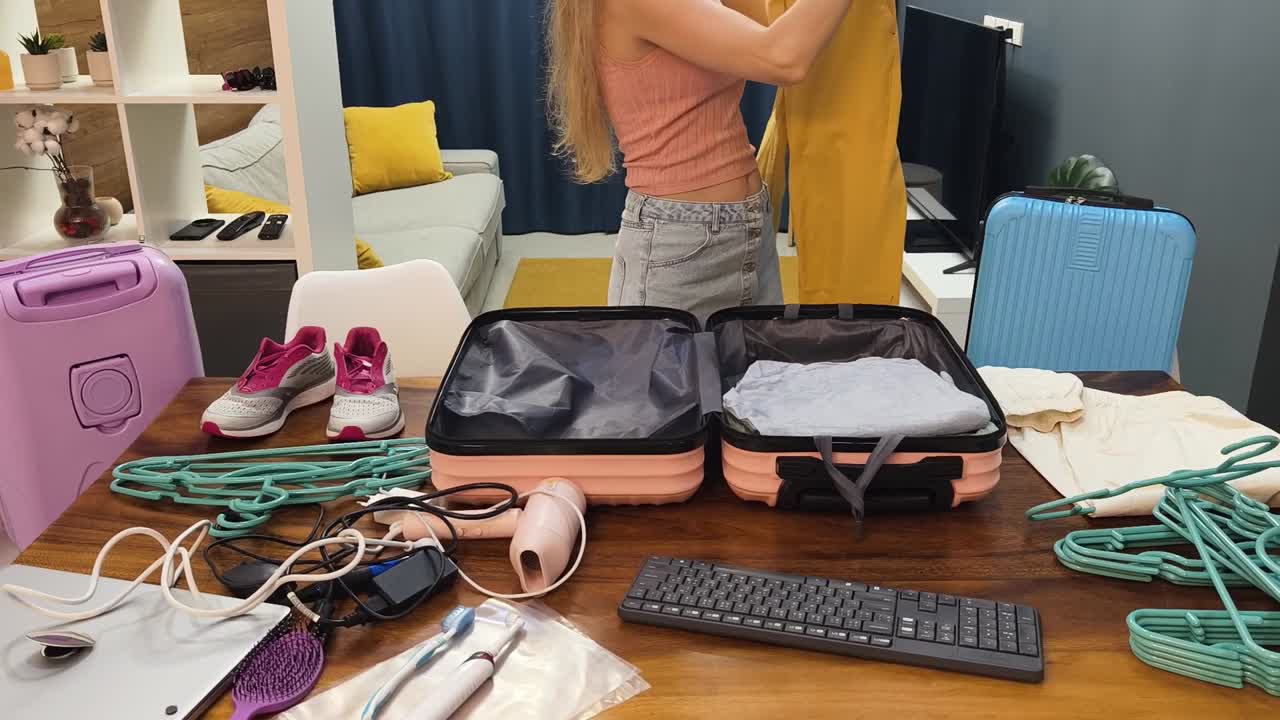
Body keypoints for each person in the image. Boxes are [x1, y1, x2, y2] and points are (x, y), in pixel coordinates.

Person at [546, 0, 853, 321]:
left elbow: (780, 25)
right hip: (679, 243)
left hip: (750, 227)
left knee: (757, 356)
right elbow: (783, 58)